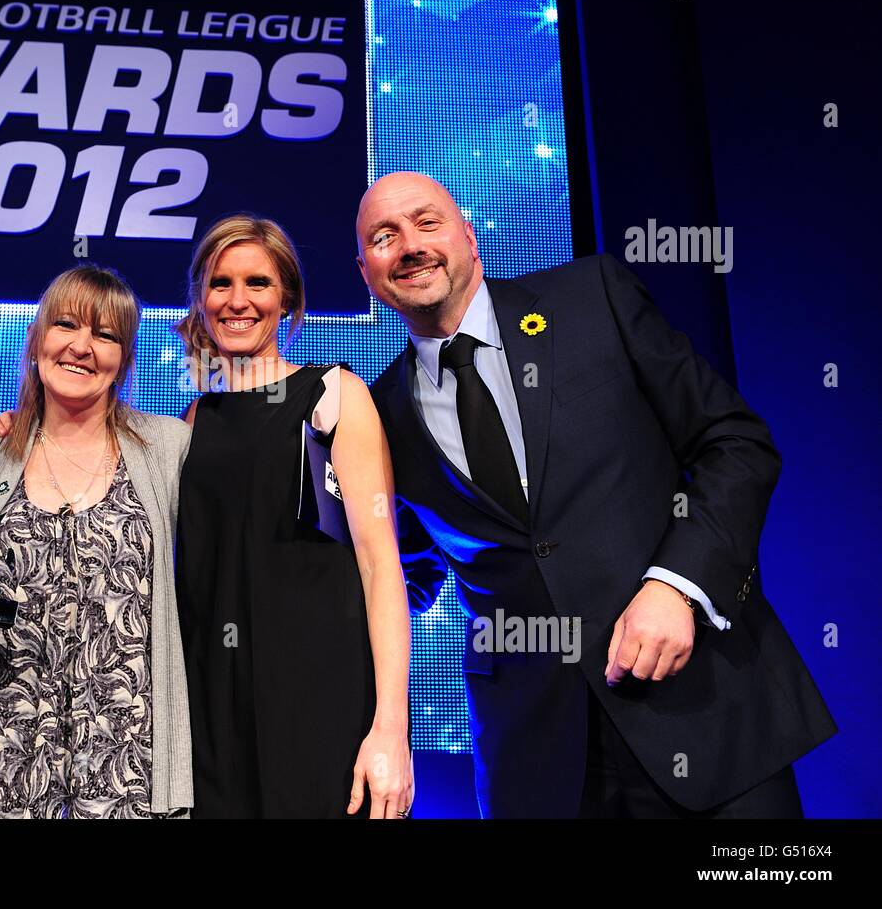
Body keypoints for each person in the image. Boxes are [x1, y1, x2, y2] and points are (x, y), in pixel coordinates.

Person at [358, 171, 836, 817]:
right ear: (367, 270)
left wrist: (676, 583)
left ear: (470, 238)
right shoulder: (381, 413)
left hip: (703, 709)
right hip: (538, 759)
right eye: (384, 236)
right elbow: (400, 575)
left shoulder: (592, 296)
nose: (410, 245)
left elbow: (735, 442)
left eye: (427, 222)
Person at [175, 214, 413, 818]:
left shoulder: (333, 396)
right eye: (219, 283)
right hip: (213, 712)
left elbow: (382, 566)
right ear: (201, 298)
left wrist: (391, 729)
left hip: (321, 701)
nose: (237, 300)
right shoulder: (193, 421)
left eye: (257, 282)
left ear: (287, 300)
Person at [0, 266, 193, 818]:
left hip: (127, 761)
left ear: (124, 357)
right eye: (66, 325)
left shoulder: (169, 450)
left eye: (106, 335)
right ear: (37, 340)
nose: (82, 347)